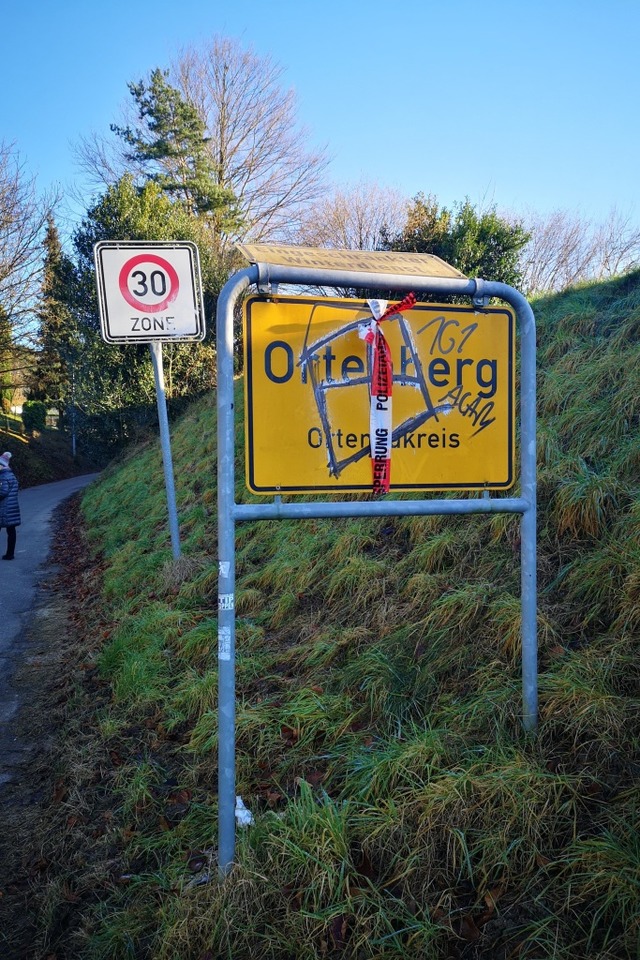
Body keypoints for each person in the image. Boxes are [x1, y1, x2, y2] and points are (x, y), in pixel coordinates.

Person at [0, 451, 21, 560]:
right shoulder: (11, 475)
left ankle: (9, 554)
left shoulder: (3, 477)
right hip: (12, 506)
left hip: (3, 508)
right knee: (11, 531)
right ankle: (10, 554)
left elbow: (2, 492)